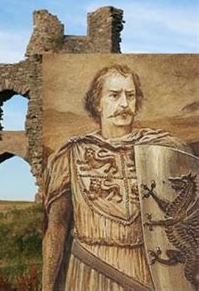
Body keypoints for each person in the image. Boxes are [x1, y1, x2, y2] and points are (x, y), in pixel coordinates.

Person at [41, 64, 189, 291]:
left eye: (130, 96)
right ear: (97, 103)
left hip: (144, 271)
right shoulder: (70, 155)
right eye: (114, 95)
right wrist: (48, 286)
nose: (124, 105)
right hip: (87, 270)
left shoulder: (163, 150)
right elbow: (57, 228)